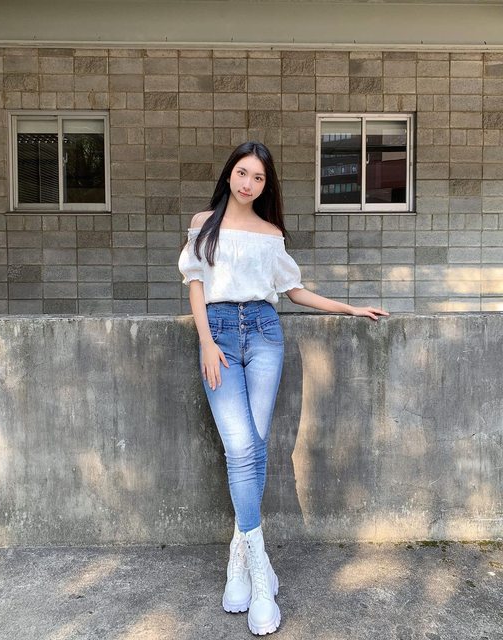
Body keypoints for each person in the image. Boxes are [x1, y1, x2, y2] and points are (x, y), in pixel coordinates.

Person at [178, 141, 389, 636]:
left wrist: (349, 307)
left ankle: (242, 567)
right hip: (219, 335)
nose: (248, 183)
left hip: (265, 334)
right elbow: (196, 284)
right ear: (229, 174)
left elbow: (293, 291)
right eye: (242, 172)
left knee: (255, 446)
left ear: (266, 185)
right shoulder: (203, 223)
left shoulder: (271, 233)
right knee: (240, 447)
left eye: (258, 178)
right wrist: (206, 341)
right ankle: (260, 568)